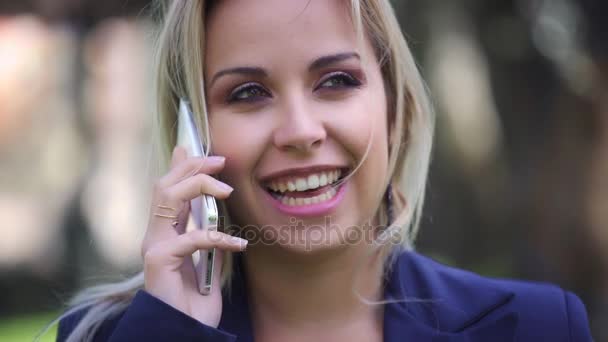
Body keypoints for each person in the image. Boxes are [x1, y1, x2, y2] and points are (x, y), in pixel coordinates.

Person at [54, 0, 593, 341]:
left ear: (394, 109)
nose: (300, 130)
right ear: (192, 136)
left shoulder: (539, 327)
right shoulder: (105, 336)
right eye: (248, 93)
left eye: (336, 81)